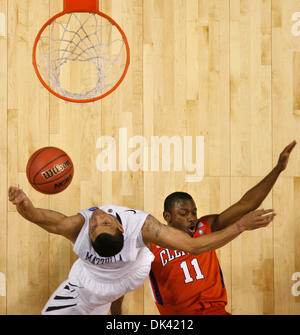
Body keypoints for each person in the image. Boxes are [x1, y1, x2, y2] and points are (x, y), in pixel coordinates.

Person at [9, 180, 277, 315]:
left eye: (101, 221)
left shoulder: (144, 228)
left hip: (128, 276)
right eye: (96, 225)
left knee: (128, 276)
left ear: (122, 226)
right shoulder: (81, 228)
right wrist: (26, 207)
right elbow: (45, 221)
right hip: (90, 281)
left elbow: (195, 246)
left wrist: (25, 204)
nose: (97, 217)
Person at [148, 141, 296, 315]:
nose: (191, 218)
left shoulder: (205, 226)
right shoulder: (151, 243)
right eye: (184, 213)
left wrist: (278, 169)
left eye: (194, 212)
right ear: (167, 217)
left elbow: (247, 204)